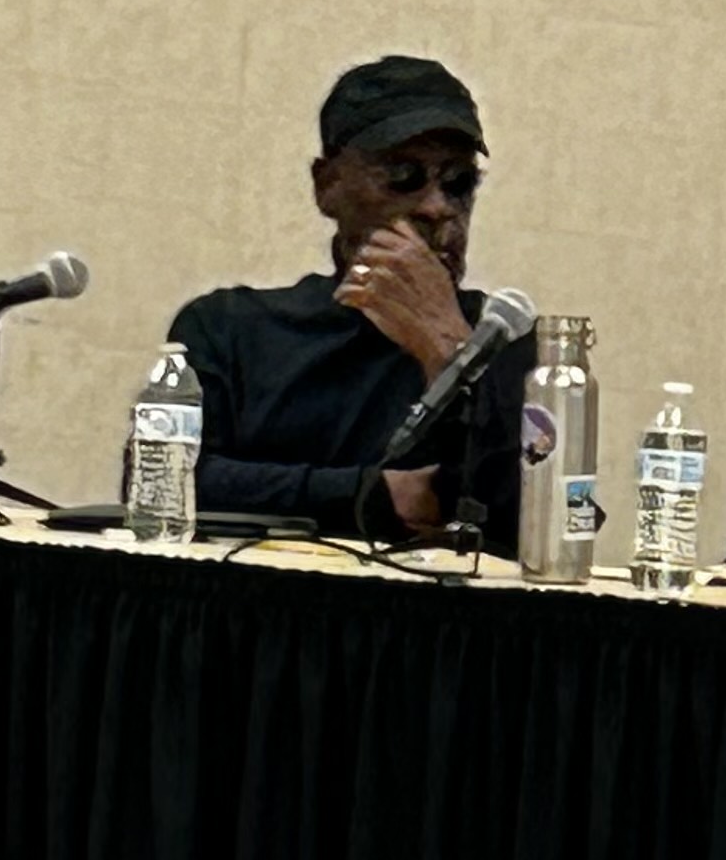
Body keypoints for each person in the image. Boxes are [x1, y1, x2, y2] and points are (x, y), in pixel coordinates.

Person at [168, 55, 528, 546]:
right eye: (403, 175)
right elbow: (165, 481)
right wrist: (366, 495)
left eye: (458, 183)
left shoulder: (508, 342)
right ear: (327, 185)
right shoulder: (229, 327)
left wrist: (448, 351)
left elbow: (541, 519)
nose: (436, 207)